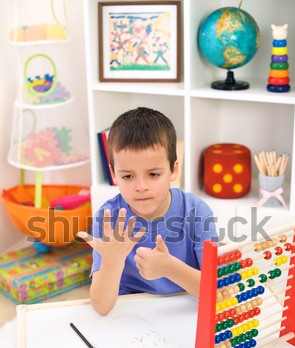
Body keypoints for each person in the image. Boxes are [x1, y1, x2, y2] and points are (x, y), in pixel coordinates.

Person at [77, 107, 218, 315]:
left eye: (153, 174)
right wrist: (112, 263)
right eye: (127, 176)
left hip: (186, 307)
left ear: (173, 170)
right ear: (114, 175)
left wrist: (169, 268)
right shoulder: (108, 218)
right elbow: (101, 307)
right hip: (131, 313)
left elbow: (217, 292)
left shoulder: (197, 211)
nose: (141, 186)